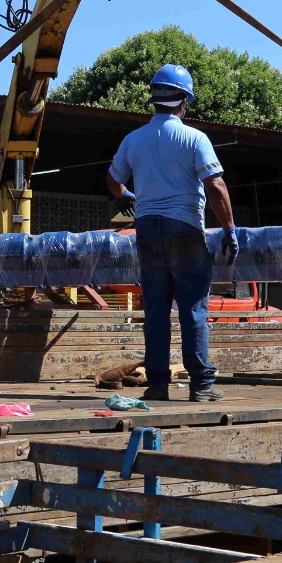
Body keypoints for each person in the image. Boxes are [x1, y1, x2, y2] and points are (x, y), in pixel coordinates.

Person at [104, 64, 239, 403]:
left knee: (156, 308)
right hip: (184, 227)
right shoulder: (194, 138)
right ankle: (201, 387)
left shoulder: (133, 140)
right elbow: (216, 184)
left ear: (154, 99)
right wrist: (229, 229)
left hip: (147, 229)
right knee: (192, 307)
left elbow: (113, 180)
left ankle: (158, 383)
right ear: (184, 102)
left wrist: (127, 197)